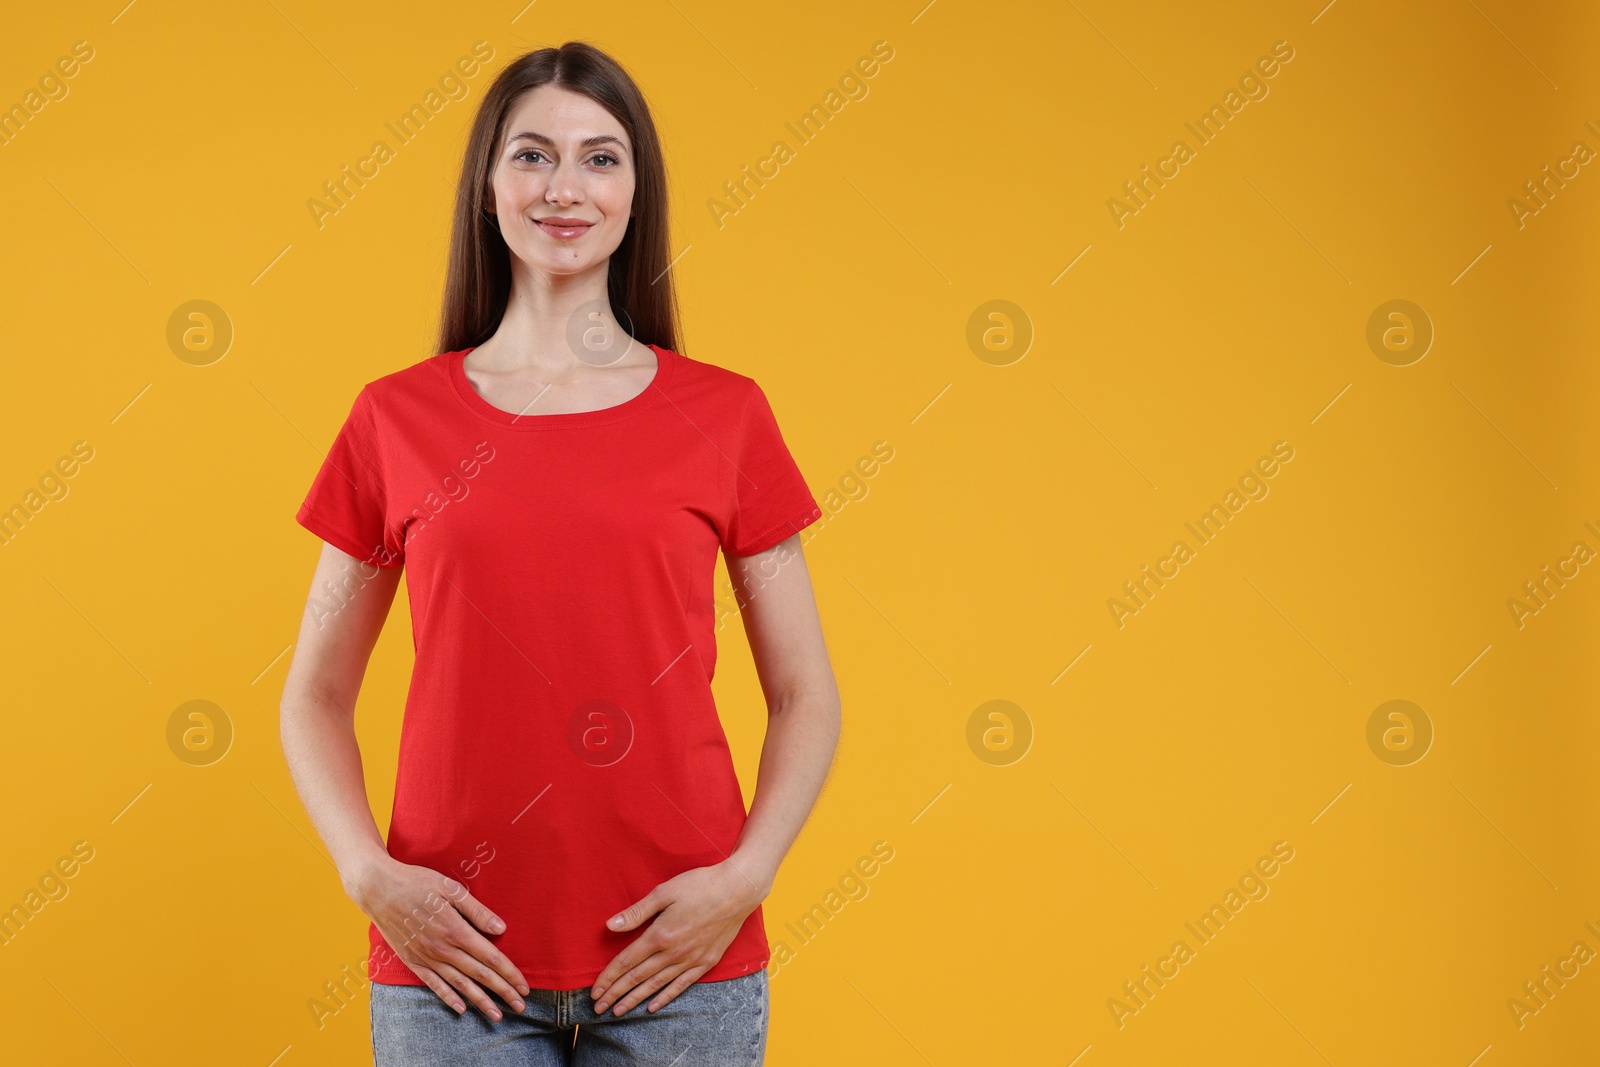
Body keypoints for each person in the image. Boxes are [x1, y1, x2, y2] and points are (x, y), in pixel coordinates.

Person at [278, 40, 841, 1066]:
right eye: (532, 155)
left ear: (636, 191)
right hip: (452, 965)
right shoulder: (393, 419)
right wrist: (370, 875)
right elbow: (313, 692)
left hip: (681, 962)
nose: (565, 187)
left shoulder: (726, 414)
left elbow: (804, 690)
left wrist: (744, 877)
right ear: (487, 187)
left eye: (600, 157)